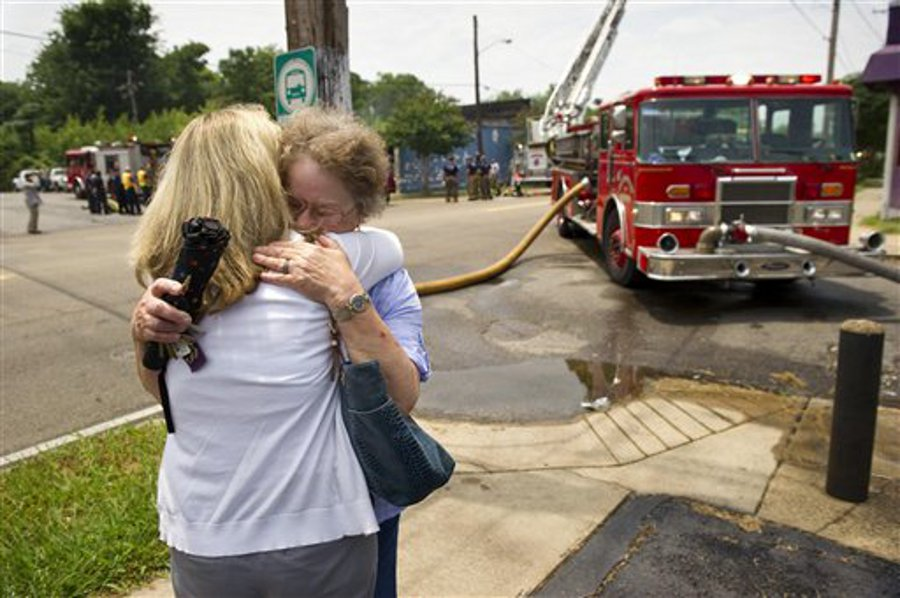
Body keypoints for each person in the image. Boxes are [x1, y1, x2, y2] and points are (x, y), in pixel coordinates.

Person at [131, 106, 429, 598]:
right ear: (265, 180)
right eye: (293, 200)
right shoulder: (318, 262)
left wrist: (144, 332)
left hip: (203, 529)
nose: (308, 223)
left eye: (325, 210)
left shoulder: (172, 277)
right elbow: (390, 245)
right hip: (320, 524)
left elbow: (164, 394)